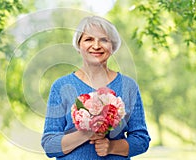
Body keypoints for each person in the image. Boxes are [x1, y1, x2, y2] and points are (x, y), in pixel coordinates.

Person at [41, 16, 150, 160]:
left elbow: (141, 140)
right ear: (78, 45)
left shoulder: (128, 86)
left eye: (104, 40)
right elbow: (50, 146)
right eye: (89, 39)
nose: (96, 46)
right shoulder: (61, 86)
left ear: (113, 46)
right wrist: (86, 134)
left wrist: (111, 147)